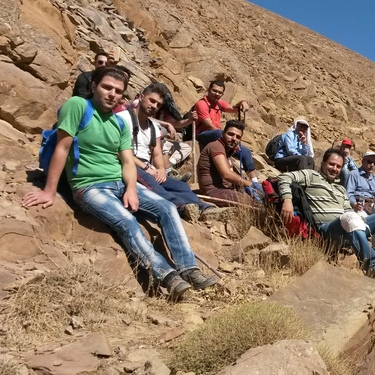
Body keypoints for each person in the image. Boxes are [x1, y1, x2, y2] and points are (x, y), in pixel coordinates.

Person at [22, 66, 217, 301]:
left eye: (118, 90)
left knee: (166, 207)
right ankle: (168, 276)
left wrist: (132, 189)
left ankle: (190, 270)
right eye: (106, 87)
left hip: (119, 182)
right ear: (94, 86)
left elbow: (126, 161)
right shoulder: (78, 106)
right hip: (89, 186)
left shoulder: (120, 123)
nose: (112, 94)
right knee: (127, 221)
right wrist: (49, 191)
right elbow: (63, 148)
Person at [276, 148, 375, 280]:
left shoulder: (340, 188)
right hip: (328, 229)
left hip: (349, 225)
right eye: (331, 164)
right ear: (322, 164)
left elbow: (348, 210)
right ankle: (374, 267)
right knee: (349, 217)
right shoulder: (311, 176)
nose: (335, 168)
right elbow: (284, 177)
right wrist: (287, 200)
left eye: (338, 166)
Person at [116, 83, 220, 222]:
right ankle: (182, 206)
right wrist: (147, 168)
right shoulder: (122, 119)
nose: (154, 106)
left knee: (181, 186)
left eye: (158, 104)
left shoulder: (153, 126)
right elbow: (119, 151)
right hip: (127, 164)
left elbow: (157, 153)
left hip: (148, 167)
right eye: (151, 101)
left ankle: (202, 207)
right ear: (141, 97)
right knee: (150, 183)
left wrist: (160, 169)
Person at [193, 80, 254, 175]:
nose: (217, 94)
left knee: (245, 151)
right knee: (219, 133)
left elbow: (233, 108)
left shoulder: (219, 103)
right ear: (208, 90)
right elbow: (209, 126)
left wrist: (242, 102)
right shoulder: (202, 104)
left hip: (217, 134)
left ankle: (254, 181)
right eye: (214, 91)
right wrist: (226, 137)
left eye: (220, 92)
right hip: (203, 134)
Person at [197, 120, 262, 205]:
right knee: (251, 201)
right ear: (223, 133)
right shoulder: (216, 146)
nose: (234, 138)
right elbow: (226, 174)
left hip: (225, 188)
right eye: (230, 134)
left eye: (238, 137)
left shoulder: (226, 150)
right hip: (213, 190)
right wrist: (250, 184)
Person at [345, 151, 375, 216]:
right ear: (363, 161)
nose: (372, 165)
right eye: (369, 162)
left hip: (373, 206)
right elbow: (348, 193)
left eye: (374, 163)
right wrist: (355, 205)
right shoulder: (354, 175)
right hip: (360, 206)